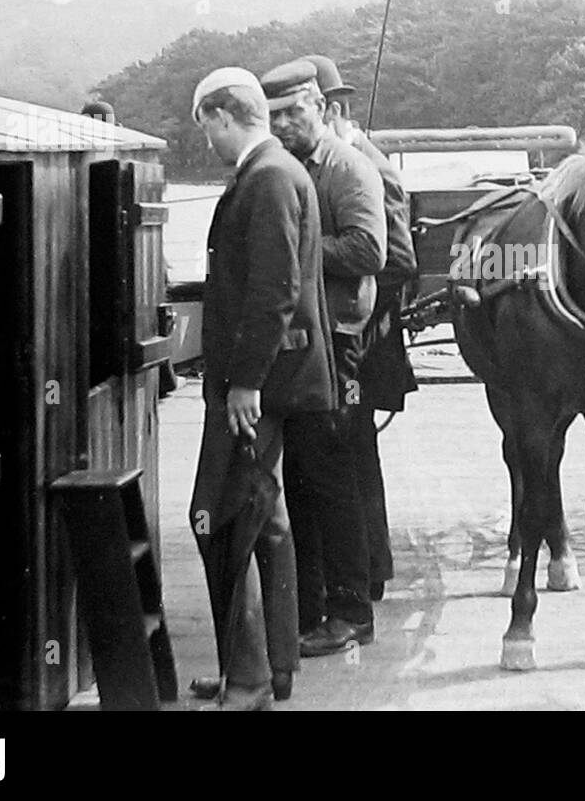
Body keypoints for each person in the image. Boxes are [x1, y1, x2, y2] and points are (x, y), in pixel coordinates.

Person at [186, 67, 335, 709]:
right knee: (265, 520)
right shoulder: (273, 173)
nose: (208, 144)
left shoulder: (269, 178)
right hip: (266, 382)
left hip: (258, 388)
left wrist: (244, 383)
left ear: (223, 116)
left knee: (222, 519)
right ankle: (271, 670)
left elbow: (274, 290)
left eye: (207, 129)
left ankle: (249, 679)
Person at [259, 58, 386, 656]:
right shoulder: (291, 169)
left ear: (320, 108)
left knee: (333, 474)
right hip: (304, 339)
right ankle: (311, 607)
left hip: (339, 339)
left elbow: (369, 250)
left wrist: (295, 250)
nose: (285, 124)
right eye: (274, 115)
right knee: (305, 477)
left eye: (295, 112)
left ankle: (351, 611)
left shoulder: (346, 168)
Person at [297, 53, 418, 602]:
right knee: (347, 453)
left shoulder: (367, 167)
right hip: (341, 331)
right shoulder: (324, 164)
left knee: (351, 450)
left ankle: (367, 571)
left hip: (367, 335)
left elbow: (397, 261)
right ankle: (358, 569)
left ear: (335, 109)